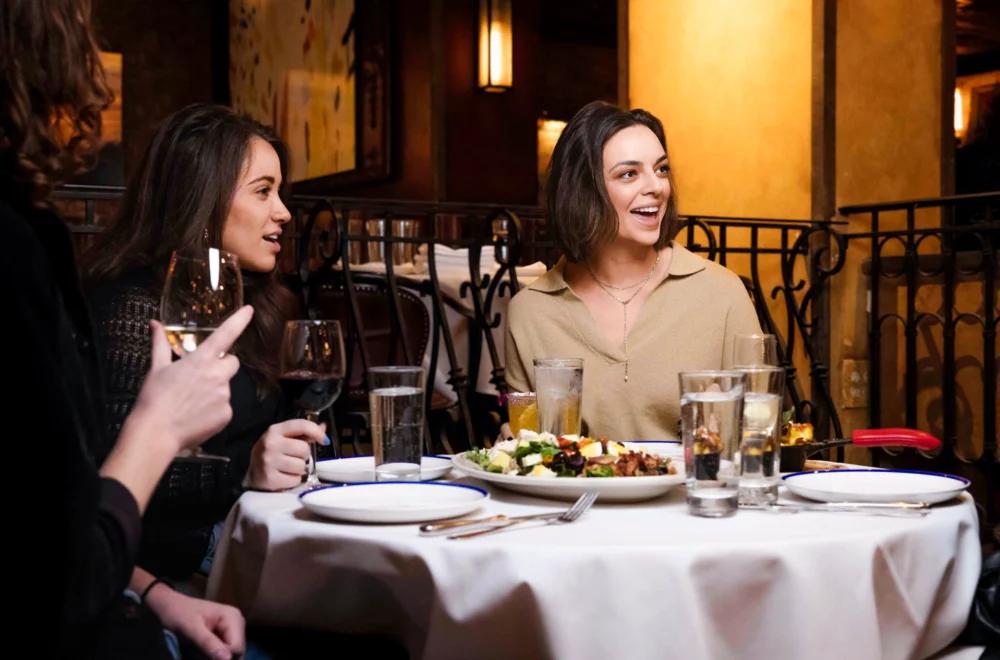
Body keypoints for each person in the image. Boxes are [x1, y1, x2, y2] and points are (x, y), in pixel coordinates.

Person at [0, 0, 250, 656]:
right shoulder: (36, 261)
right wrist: (160, 426)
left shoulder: (30, 238)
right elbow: (61, 581)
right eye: (263, 190)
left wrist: (156, 596)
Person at [82, 104, 328, 582]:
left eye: (280, 192)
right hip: (176, 565)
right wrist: (244, 470)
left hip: (258, 533)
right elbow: (112, 479)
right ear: (204, 198)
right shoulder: (132, 306)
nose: (283, 213)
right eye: (263, 192)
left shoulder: (257, 303)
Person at [504, 101, 762, 441]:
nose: (656, 186)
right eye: (629, 174)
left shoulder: (723, 294)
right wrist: (513, 446)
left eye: (661, 169)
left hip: (693, 491)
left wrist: (730, 428)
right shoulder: (531, 312)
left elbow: (762, 434)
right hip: (579, 495)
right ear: (583, 191)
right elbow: (533, 449)